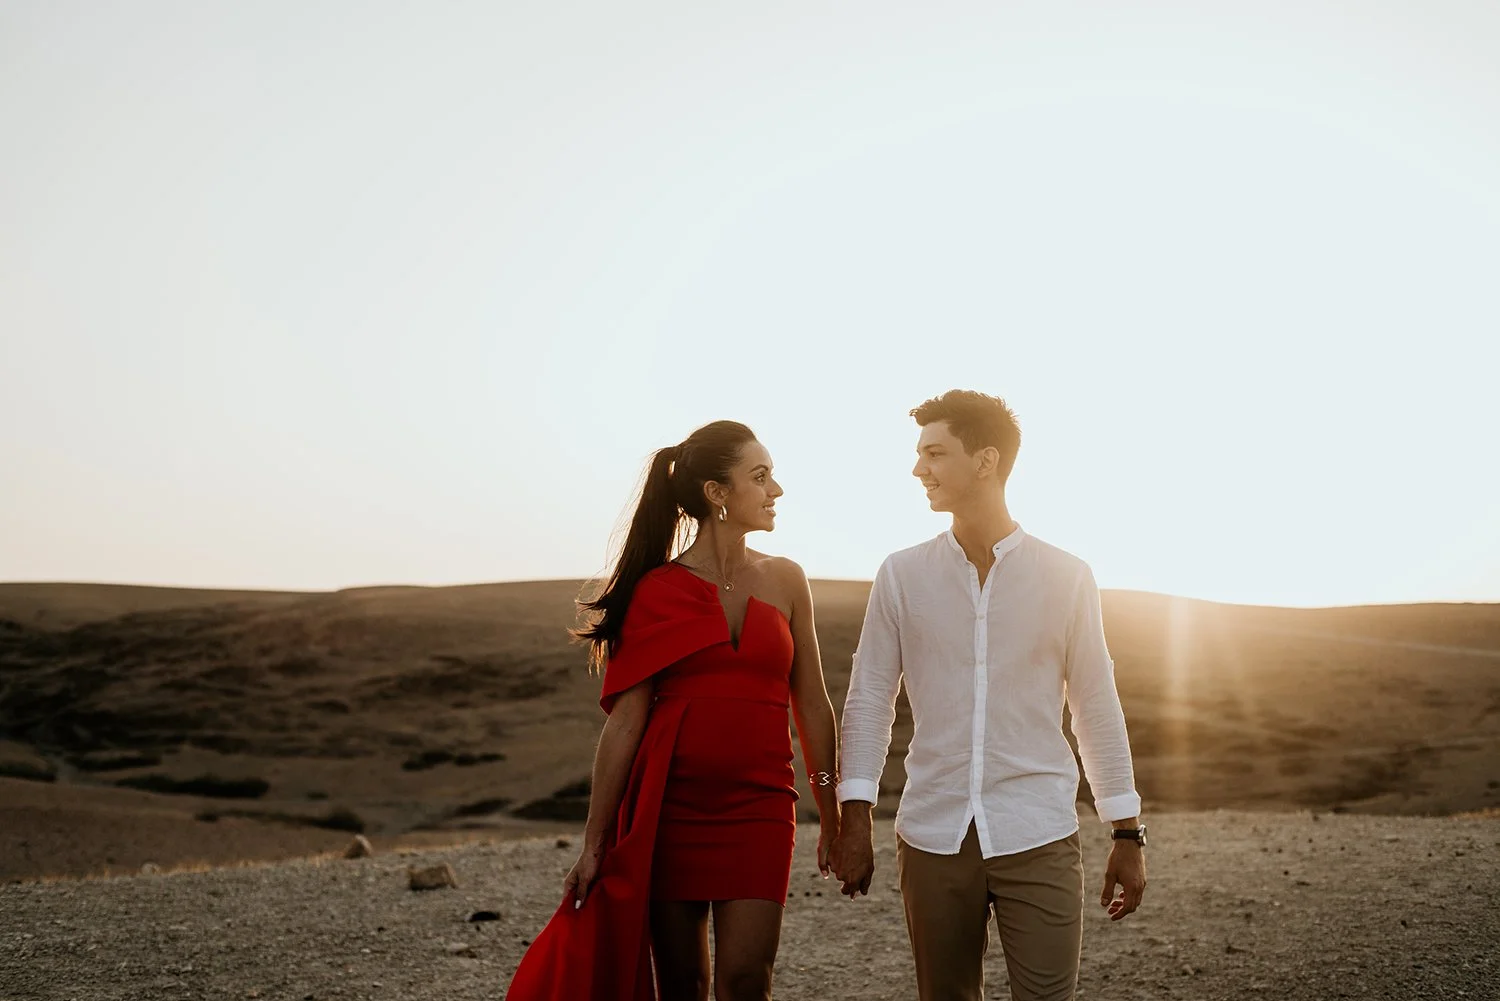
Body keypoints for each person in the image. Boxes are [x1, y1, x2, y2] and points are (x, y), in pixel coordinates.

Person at [505, 420, 841, 1001]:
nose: (776, 490)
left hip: (761, 806)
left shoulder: (787, 580)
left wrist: (832, 810)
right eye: (760, 477)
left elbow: (812, 703)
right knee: (682, 984)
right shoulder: (655, 590)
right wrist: (594, 843)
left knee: (747, 979)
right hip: (668, 810)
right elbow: (626, 722)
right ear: (717, 492)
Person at [828, 390, 1147, 1001]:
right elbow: (869, 698)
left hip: (1039, 830)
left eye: (934, 453)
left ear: (986, 461)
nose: (918, 468)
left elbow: (1095, 705)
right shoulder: (902, 574)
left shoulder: (1067, 576)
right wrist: (856, 818)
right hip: (933, 834)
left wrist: (1127, 833)